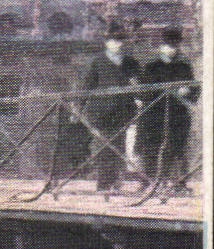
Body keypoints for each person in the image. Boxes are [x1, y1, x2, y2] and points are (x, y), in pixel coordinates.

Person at [78, 20, 139, 190]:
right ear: (106, 42)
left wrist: (136, 89)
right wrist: (78, 109)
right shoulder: (96, 62)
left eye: (120, 40)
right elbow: (85, 86)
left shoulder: (130, 63)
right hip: (101, 112)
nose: (116, 44)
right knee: (104, 146)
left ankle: (116, 183)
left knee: (119, 146)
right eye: (113, 40)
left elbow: (139, 85)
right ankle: (104, 185)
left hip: (123, 112)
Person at [136, 26, 196, 186]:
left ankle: (178, 183)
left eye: (175, 46)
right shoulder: (151, 67)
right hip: (155, 113)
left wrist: (188, 91)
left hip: (177, 113)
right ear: (161, 46)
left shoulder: (184, 66)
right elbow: (144, 91)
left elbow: (193, 88)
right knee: (151, 147)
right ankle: (148, 182)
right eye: (168, 45)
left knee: (178, 146)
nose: (172, 49)